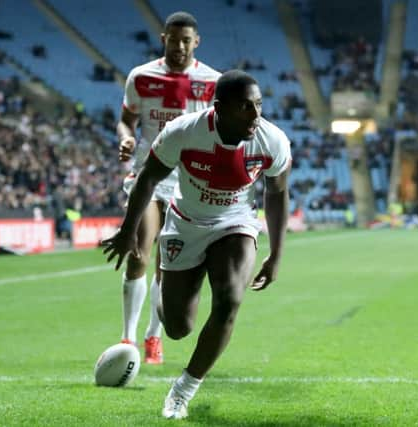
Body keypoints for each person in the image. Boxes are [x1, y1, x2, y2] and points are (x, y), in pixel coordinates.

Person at [102, 70, 291, 419]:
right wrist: (129, 230)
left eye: (259, 105)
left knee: (230, 298)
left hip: (234, 222)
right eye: (245, 107)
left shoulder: (272, 140)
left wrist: (276, 254)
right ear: (219, 108)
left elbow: (277, 193)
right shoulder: (183, 132)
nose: (255, 115)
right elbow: (148, 178)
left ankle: (181, 392)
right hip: (184, 224)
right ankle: (163, 283)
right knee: (177, 328)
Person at [115, 11, 220, 364]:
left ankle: (152, 336)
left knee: (166, 266)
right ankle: (127, 339)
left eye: (185, 41)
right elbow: (127, 121)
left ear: (196, 42)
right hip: (149, 175)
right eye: (173, 40)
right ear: (163, 39)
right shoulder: (142, 77)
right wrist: (127, 139)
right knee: (138, 253)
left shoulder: (213, 83)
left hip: (189, 185)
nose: (179, 47)